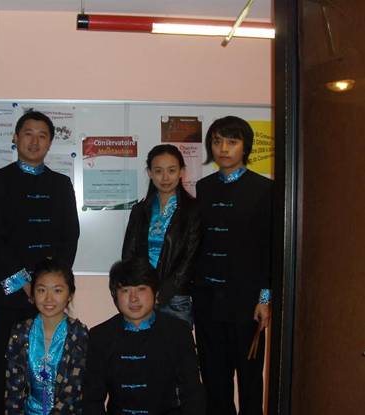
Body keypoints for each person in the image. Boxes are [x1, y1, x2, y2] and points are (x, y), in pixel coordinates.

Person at [0, 111, 80, 414]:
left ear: (50, 142)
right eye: (28, 133)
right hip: (9, 292)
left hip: (49, 296)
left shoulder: (61, 183)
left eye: (42, 135)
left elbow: (70, 236)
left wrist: (49, 286)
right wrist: (24, 282)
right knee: (4, 368)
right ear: (15, 137)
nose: (34, 141)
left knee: (49, 368)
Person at [192, 116, 272, 415]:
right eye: (217, 142)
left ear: (245, 147)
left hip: (245, 302)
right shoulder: (203, 187)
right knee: (214, 380)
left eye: (232, 142)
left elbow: (270, 248)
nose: (223, 149)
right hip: (207, 301)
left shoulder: (264, 189)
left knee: (249, 379)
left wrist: (265, 299)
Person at [83, 258, 206, 415]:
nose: (133, 298)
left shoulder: (178, 332)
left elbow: (192, 394)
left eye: (141, 289)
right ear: (114, 295)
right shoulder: (100, 336)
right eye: (125, 290)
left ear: (156, 292)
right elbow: (92, 399)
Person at [122, 144, 201, 326]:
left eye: (171, 170)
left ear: (181, 172)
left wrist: (165, 292)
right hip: (142, 295)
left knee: (175, 344)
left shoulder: (193, 210)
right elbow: (128, 254)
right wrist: (141, 288)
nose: (165, 178)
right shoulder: (140, 210)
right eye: (158, 171)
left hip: (176, 298)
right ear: (150, 173)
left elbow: (191, 257)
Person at [4, 259, 88, 414]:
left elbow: (74, 390)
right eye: (41, 290)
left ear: (70, 294)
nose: (49, 298)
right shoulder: (21, 332)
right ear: (33, 294)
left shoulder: (78, 333)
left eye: (57, 291)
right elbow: (13, 389)